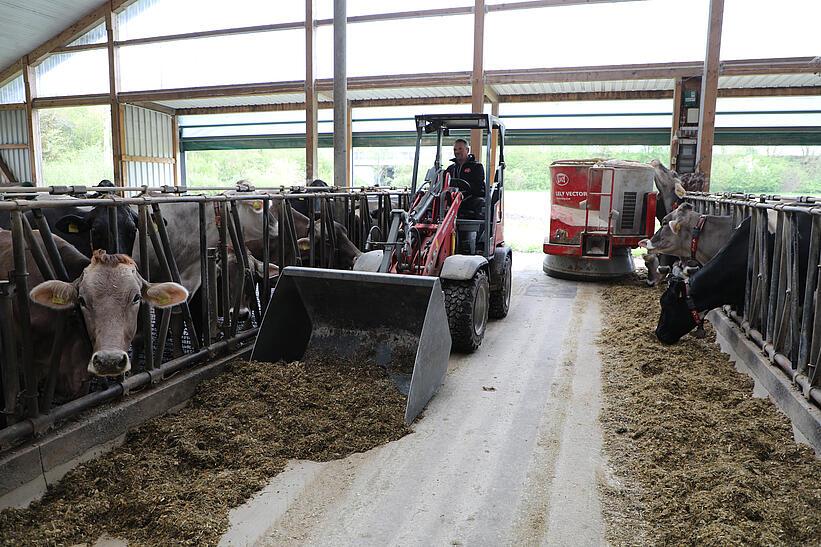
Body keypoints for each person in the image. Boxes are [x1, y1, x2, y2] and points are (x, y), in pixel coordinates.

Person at [445, 138, 485, 219]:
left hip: (470, 198)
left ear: (467, 150)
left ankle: (481, 229)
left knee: (480, 203)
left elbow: (478, 186)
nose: (457, 152)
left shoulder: (476, 167)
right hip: (453, 198)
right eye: (455, 149)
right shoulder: (451, 168)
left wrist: (464, 188)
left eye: (460, 149)